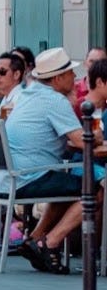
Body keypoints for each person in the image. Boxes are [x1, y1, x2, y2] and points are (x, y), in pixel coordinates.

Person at [10, 48, 90, 273]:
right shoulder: (54, 100)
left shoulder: (28, 93)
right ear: (57, 78)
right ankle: (51, 242)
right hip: (30, 177)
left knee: (65, 185)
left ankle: (34, 239)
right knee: (92, 190)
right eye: (70, 73)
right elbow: (82, 141)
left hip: (12, 177)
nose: (75, 78)